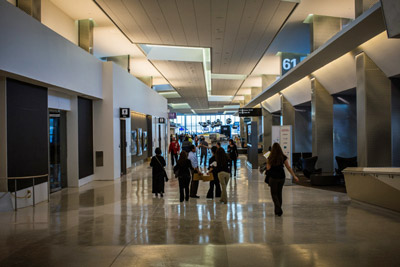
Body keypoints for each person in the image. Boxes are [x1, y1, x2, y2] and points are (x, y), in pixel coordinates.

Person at [266, 143, 299, 216]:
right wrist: (294, 176)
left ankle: (278, 209)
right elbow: (288, 167)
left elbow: (268, 168)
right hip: (281, 177)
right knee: (279, 193)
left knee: (274, 194)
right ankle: (277, 210)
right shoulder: (283, 157)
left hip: (273, 177)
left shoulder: (270, 157)